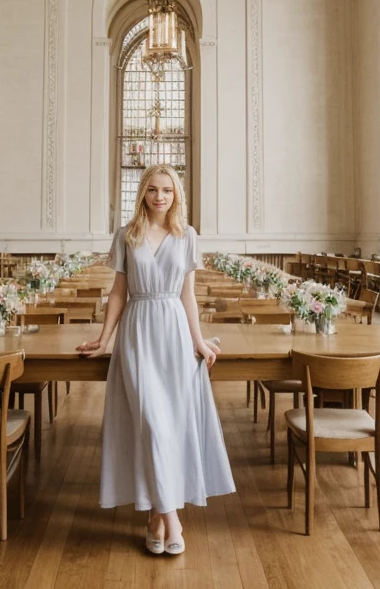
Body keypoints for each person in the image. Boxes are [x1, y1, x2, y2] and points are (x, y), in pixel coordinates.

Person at [77, 164, 235, 555]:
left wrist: (198, 341)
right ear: (143, 193)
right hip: (137, 332)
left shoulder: (187, 237)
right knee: (149, 424)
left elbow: (188, 296)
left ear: (176, 195)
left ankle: (154, 516)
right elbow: (117, 293)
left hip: (175, 337)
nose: (160, 196)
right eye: (152, 189)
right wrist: (103, 338)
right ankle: (172, 519)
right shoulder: (126, 235)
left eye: (167, 189)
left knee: (170, 427)